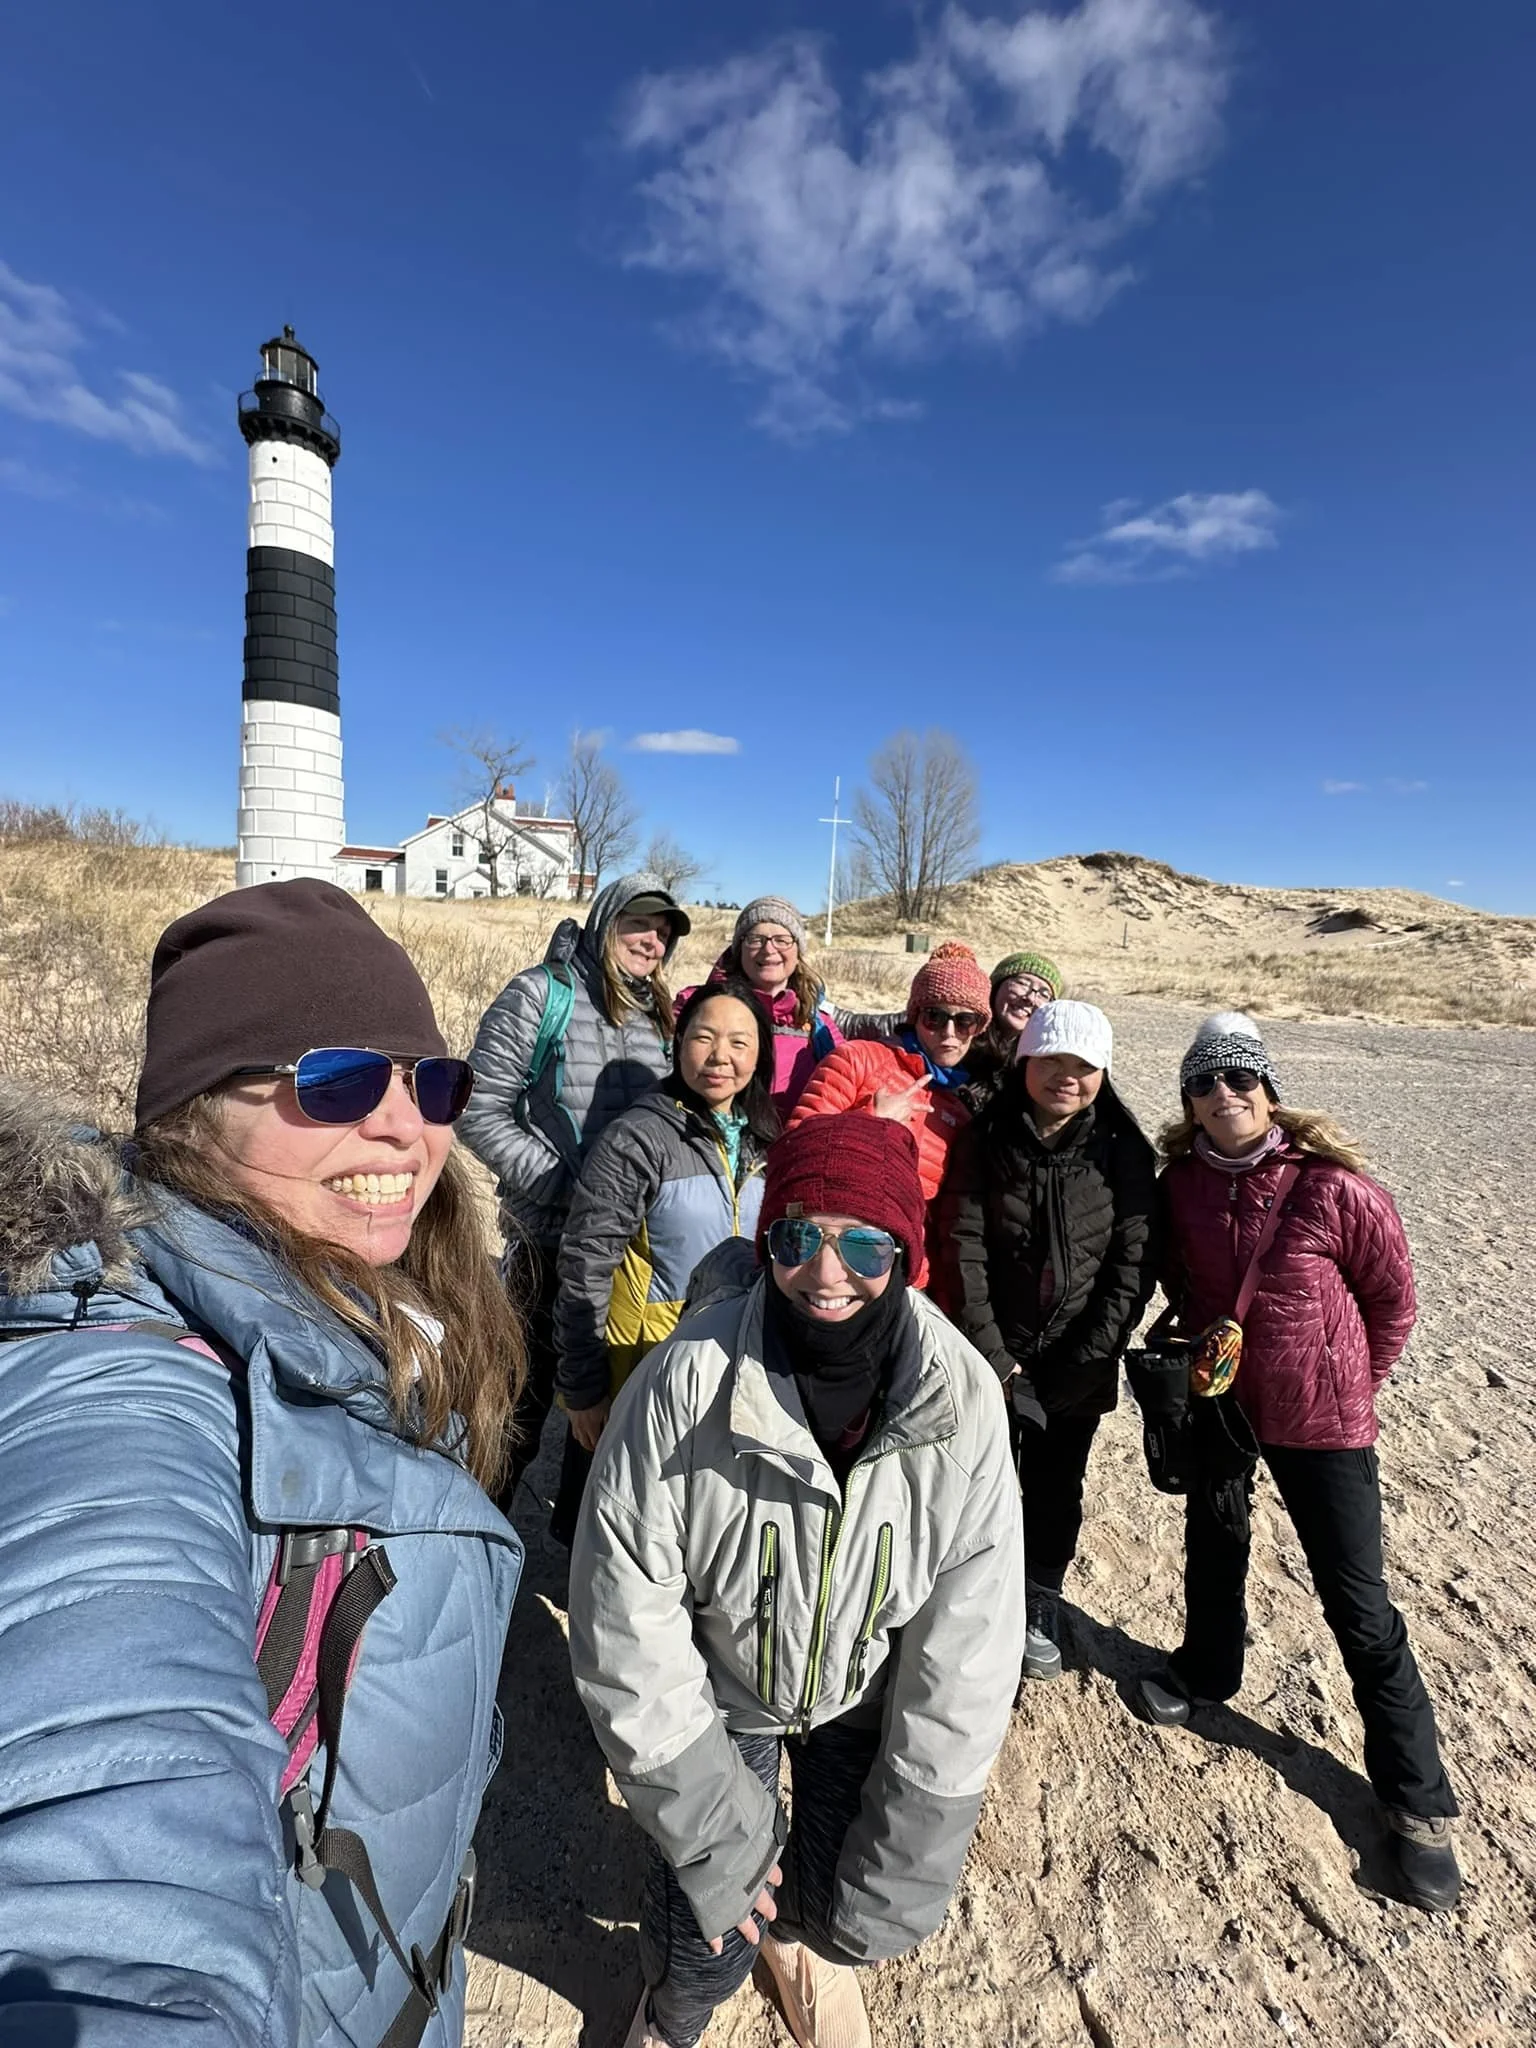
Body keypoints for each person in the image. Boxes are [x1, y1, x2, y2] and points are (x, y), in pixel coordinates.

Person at [0, 879, 525, 2045]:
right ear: (194, 1110)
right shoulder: (128, 1386)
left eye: (430, 1081)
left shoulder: (374, 1298)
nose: (404, 1125)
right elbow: (103, 1857)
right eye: (336, 1079)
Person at [569, 1113, 1025, 2048]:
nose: (825, 1273)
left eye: (863, 1242)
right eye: (796, 1237)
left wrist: (920, 1838)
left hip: (860, 1692)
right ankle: (675, 2015)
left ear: (906, 1252)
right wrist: (703, 1814)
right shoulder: (684, 1381)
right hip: (721, 1696)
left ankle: (800, 1952)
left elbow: (971, 1640)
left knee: (834, 1895)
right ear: (764, 1239)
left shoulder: (961, 1401)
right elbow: (625, 1610)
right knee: (708, 1921)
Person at [1133, 1012, 1461, 1914]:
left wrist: (1347, 1381)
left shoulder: (1334, 1188)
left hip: (1326, 1422)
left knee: (1359, 1606)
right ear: (1189, 1105)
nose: (1223, 1095)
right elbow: (1175, 1280)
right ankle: (1206, 1671)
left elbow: (1392, 1301)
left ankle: (1417, 1804)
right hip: (1224, 1406)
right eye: (1204, 1085)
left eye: (1239, 1079)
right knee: (1215, 1547)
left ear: (1269, 1090)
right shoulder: (1180, 1187)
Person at [458, 872, 690, 1523]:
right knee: (516, 1414)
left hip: (625, 1254)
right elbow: (478, 1111)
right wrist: (568, 1188)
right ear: (604, 920)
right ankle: (472, 1548)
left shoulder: (657, 1016)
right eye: (637, 924)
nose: (650, 940)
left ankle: (578, 1556)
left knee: (605, 1410)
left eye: (662, 931)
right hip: (545, 1245)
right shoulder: (540, 995)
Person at [944, 1000, 1157, 1683]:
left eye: (1083, 1066)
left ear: (1103, 1072)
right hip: (995, 1353)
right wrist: (992, 1353)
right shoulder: (986, 1137)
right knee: (986, 1478)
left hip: (1080, 1359)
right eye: (1052, 1061)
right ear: (1026, 1062)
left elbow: (1132, 1263)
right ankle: (981, 1598)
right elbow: (964, 1244)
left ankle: (1041, 1596)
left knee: (1059, 1481)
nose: (1066, 1077)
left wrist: (1092, 1350)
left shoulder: (1123, 1151)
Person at [550, 981, 778, 1536]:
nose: (720, 1056)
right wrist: (583, 1389)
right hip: (640, 1361)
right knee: (621, 1523)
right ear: (678, 1047)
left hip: (728, 1360)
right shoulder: (640, 1137)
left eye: (739, 1042)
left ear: (760, 1055)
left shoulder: (767, 1141)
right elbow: (585, 1261)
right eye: (703, 1037)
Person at [785, 940, 991, 1236]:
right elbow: (795, 1151)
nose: (949, 1033)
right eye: (934, 1016)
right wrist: (869, 1125)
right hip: (835, 1251)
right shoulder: (857, 1060)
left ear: (978, 1028)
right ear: (914, 1016)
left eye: (965, 1021)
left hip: (906, 1271)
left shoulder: (958, 1112)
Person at [681, 896, 902, 1114]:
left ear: (798, 951)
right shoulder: (698, 1008)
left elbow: (846, 1086)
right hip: (714, 1143)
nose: (768, 950)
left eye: (782, 940)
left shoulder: (819, 1025)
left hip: (795, 1144)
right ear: (739, 949)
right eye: (755, 939)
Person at [965, 950, 1065, 1102]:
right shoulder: (961, 1034)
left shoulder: (1042, 1060)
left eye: (1044, 994)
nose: (1030, 998)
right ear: (996, 986)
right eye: (1023, 983)